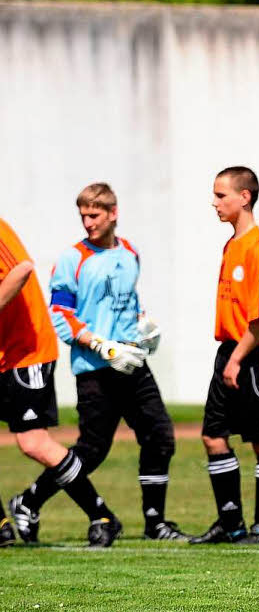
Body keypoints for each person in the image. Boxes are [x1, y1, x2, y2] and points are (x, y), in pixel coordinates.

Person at [8, 183, 188, 542]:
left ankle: (156, 523)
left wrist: (144, 326)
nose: (88, 223)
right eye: (84, 216)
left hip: (132, 363)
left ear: (113, 213)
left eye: (94, 215)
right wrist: (102, 346)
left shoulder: (130, 252)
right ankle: (29, 501)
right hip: (95, 369)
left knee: (160, 437)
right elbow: (61, 313)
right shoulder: (73, 259)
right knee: (91, 450)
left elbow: (129, 301)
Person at [0, 217, 123, 547]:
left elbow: (22, 269)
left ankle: (102, 516)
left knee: (33, 443)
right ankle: (2, 527)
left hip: (26, 353)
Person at [190, 166, 259, 546]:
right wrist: (229, 357)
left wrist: (236, 359)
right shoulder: (232, 245)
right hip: (230, 349)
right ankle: (230, 526)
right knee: (214, 436)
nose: (214, 203)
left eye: (221, 195)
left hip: (258, 356)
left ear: (244, 197)